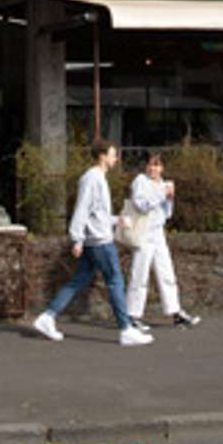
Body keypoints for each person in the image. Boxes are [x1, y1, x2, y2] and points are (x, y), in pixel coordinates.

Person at [32, 139, 152, 347]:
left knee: (78, 280)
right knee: (115, 280)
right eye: (113, 154)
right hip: (99, 241)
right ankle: (125, 329)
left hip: (94, 239)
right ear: (102, 156)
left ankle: (47, 317)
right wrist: (76, 238)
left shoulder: (97, 178)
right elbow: (82, 209)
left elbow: (98, 214)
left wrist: (117, 220)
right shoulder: (92, 178)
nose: (116, 158)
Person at [124, 152, 199, 330]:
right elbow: (140, 204)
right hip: (143, 232)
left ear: (162, 168)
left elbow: (167, 213)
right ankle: (132, 315)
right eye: (151, 165)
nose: (153, 169)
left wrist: (169, 198)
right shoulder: (140, 181)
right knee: (140, 274)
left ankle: (175, 311)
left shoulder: (163, 183)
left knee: (166, 272)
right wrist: (161, 194)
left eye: (157, 165)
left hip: (158, 233)